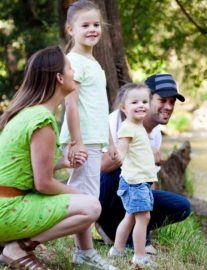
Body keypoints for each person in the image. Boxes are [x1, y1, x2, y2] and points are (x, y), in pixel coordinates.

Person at [0, 46, 105, 270]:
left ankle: (11, 243)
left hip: (6, 204)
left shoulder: (28, 113)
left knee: (86, 202)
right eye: (69, 68)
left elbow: (26, 166)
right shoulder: (42, 120)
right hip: (6, 210)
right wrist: (79, 194)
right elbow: (43, 183)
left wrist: (63, 162)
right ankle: (18, 248)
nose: (74, 72)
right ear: (59, 77)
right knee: (91, 207)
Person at [98, 74, 192, 254]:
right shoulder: (114, 121)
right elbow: (100, 168)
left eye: (172, 102)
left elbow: (147, 181)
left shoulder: (155, 133)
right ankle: (106, 225)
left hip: (130, 193)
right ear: (148, 100)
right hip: (102, 194)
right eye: (162, 100)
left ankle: (132, 233)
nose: (168, 107)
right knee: (122, 173)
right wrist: (139, 151)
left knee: (182, 207)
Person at [59, 1, 117, 269]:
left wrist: (112, 140)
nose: (92, 29)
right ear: (70, 29)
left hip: (95, 138)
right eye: (85, 25)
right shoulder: (73, 62)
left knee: (86, 198)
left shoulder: (93, 61)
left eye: (96, 25)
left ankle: (84, 251)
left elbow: (99, 106)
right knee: (86, 201)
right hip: (83, 139)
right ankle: (82, 252)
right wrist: (77, 141)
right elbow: (71, 104)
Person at [107, 83, 158, 267]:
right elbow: (122, 151)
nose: (141, 105)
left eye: (144, 101)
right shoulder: (128, 127)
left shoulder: (138, 126)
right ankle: (139, 255)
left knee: (130, 217)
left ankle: (117, 250)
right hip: (135, 182)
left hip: (139, 181)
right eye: (134, 102)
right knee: (143, 218)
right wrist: (117, 154)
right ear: (123, 108)